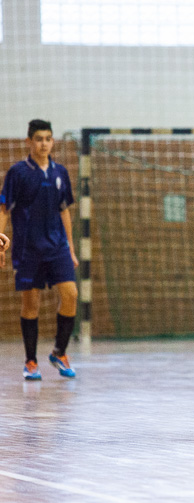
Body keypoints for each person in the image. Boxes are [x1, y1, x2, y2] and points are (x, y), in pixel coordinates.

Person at [0, 119, 79, 380]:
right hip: (28, 249)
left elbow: (64, 210)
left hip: (57, 247)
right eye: (38, 139)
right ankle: (31, 361)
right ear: (29, 142)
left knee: (71, 294)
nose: (44, 144)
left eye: (48, 139)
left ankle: (59, 352)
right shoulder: (18, 172)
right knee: (30, 304)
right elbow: (4, 209)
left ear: (52, 141)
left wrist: (70, 248)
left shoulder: (60, 172)